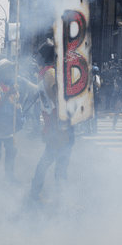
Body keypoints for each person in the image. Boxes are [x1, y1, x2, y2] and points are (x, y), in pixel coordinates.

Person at [28, 40, 75, 205]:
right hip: (58, 126)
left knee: (48, 161)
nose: (36, 58)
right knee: (59, 164)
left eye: (39, 55)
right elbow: (57, 98)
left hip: (54, 126)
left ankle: (36, 192)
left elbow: (53, 97)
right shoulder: (49, 73)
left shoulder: (45, 73)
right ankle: (60, 199)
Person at [0, 59, 36, 184]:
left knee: (11, 151)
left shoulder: (13, 84)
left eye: (12, 70)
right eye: (9, 70)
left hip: (9, 127)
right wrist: (9, 93)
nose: (12, 73)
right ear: (1, 72)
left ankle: (9, 176)